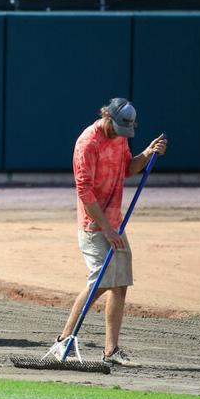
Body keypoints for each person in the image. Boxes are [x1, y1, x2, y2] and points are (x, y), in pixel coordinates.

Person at [56, 98, 167, 367]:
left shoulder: (120, 138)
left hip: (115, 222)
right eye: (118, 129)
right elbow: (84, 191)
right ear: (107, 117)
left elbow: (127, 169)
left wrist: (148, 153)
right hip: (95, 225)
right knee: (101, 282)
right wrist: (105, 228)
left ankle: (111, 351)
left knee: (119, 286)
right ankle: (64, 340)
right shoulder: (87, 143)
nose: (121, 135)